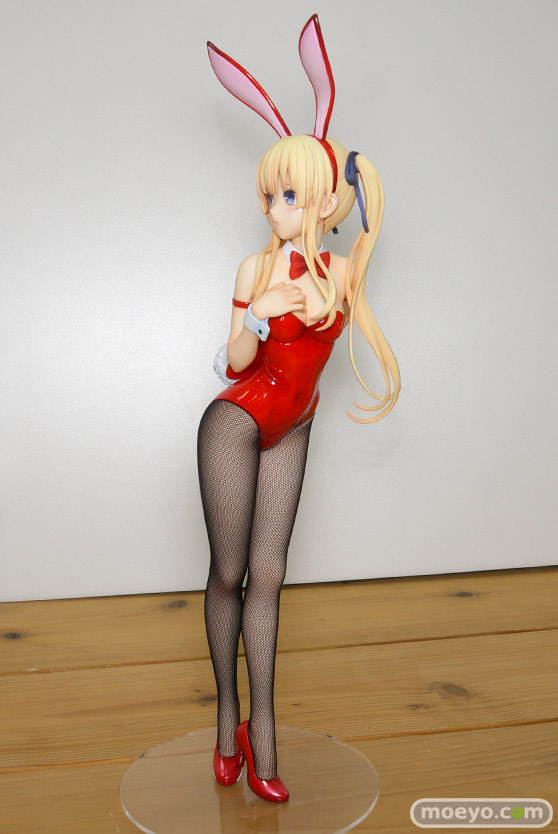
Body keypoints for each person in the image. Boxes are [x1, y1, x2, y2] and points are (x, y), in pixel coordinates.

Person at [197, 14, 400, 803]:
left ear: (318, 201)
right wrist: (257, 314)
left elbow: (366, 230)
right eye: (269, 194)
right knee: (229, 571)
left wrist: (357, 175)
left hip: (296, 423)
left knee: (271, 576)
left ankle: (266, 733)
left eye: (287, 194)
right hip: (237, 420)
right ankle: (227, 721)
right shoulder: (254, 268)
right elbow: (231, 364)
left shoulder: (342, 274)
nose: (272, 207)